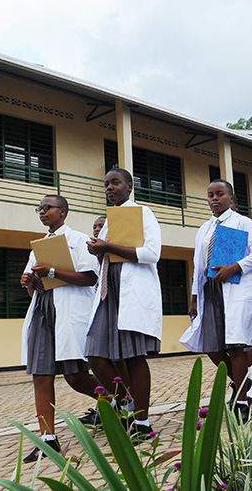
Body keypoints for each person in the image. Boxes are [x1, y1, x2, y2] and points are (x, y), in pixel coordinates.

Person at [19, 194, 102, 463]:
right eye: (39, 208)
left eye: (47, 208)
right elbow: (33, 287)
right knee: (40, 375)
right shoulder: (38, 246)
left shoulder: (79, 240)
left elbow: (90, 278)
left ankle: (118, 403)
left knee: (76, 377)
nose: (42, 212)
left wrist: (53, 272)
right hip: (43, 311)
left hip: (69, 310)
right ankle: (47, 439)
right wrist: (28, 281)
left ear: (63, 212)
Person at [182, 179, 252, 423]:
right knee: (211, 346)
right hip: (210, 290)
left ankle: (241, 400)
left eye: (220, 194)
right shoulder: (204, 229)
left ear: (231, 198)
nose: (214, 199)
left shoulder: (243, 222)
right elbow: (198, 266)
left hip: (235, 288)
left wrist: (234, 267)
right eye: (210, 195)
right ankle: (245, 382)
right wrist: (194, 298)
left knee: (235, 345)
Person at [85, 167, 162, 441]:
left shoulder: (143, 214)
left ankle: (142, 423)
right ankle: (127, 405)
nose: (109, 187)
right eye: (106, 184)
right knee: (95, 354)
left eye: (115, 183)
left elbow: (152, 253)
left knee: (133, 356)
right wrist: (97, 251)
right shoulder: (108, 220)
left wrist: (108, 247)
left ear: (130, 186)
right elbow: (107, 256)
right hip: (108, 293)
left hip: (131, 292)